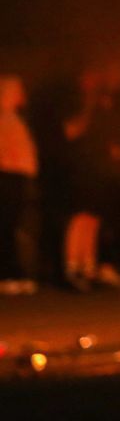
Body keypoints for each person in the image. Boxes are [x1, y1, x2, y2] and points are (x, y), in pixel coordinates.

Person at [0, 76, 39, 295]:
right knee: (6, 226)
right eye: (17, 89)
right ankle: (7, 275)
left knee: (14, 226)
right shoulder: (3, 118)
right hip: (7, 177)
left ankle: (15, 272)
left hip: (18, 178)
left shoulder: (16, 118)